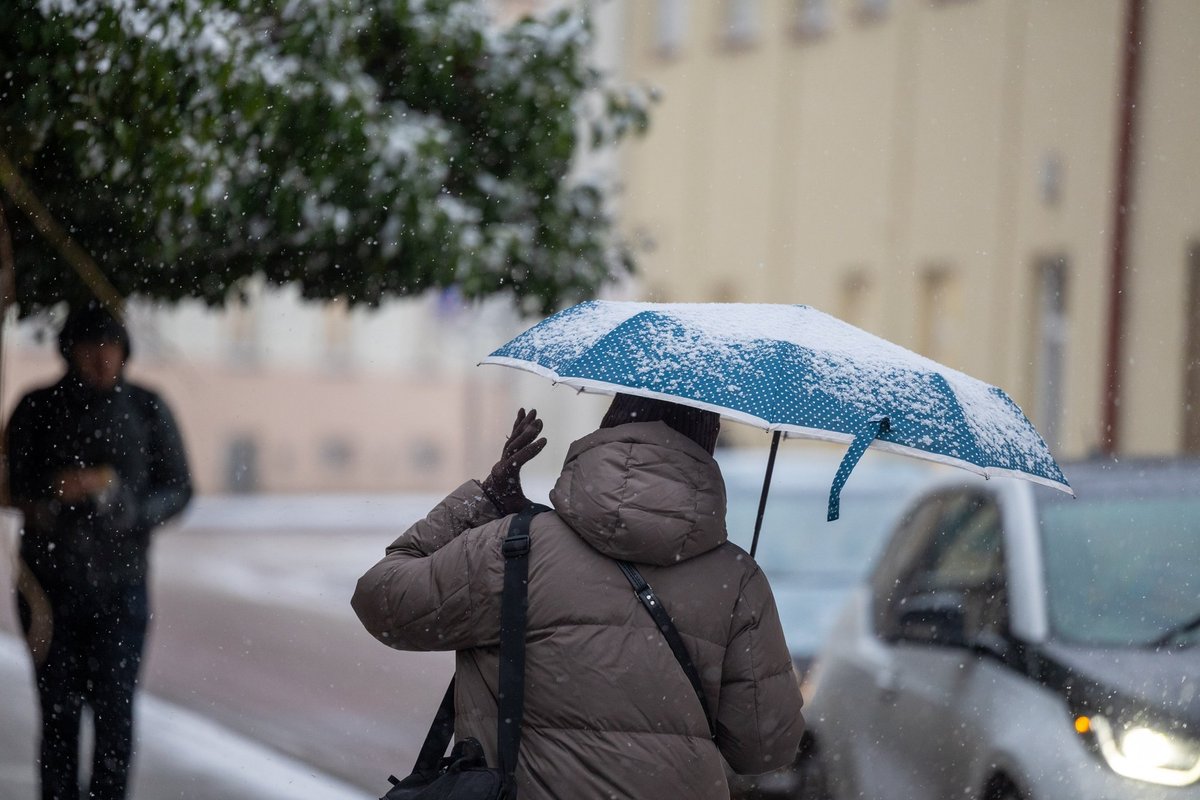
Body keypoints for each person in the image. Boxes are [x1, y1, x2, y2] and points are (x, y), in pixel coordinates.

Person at [353, 396, 804, 799]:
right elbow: (765, 748)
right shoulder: (738, 579)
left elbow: (382, 599)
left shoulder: (512, 549)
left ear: (607, 428)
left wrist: (485, 499)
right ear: (707, 445)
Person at [6, 301, 192, 800]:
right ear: (70, 351)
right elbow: (11, 484)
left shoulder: (146, 408)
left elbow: (178, 488)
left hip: (121, 588)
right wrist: (53, 490)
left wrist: (125, 503)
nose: (102, 359)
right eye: (90, 348)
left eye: (111, 347)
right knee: (58, 717)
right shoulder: (37, 407)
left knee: (115, 715)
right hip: (49, 590)